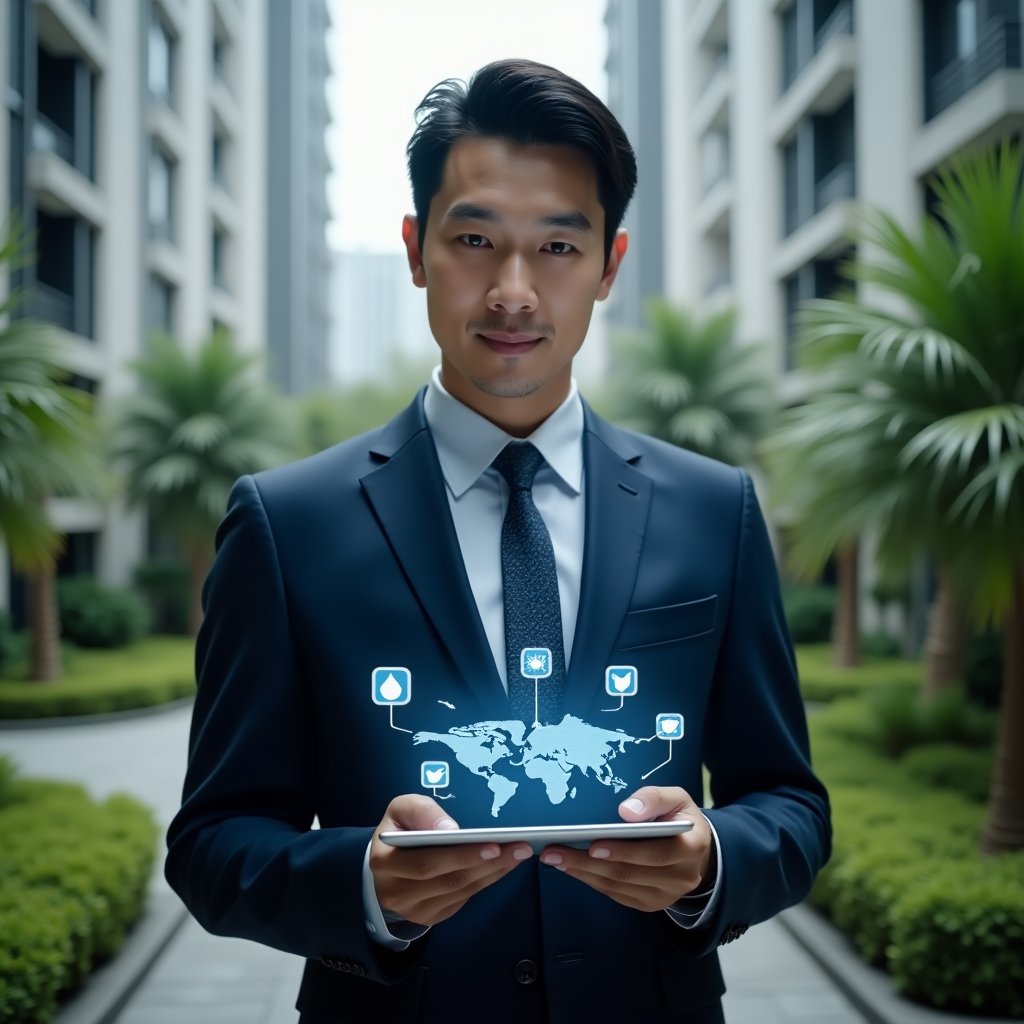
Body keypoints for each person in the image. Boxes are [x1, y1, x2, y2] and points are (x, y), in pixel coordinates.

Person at [165, 59, 831, 1024]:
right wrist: (362, 884)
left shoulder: (712, 508)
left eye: (558, 246)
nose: (513, 291)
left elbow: (791, 806)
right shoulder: (288, 523)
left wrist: (710, 861)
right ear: (416, 250)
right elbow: (214, 844)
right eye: (475, 238)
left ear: (609, 264)